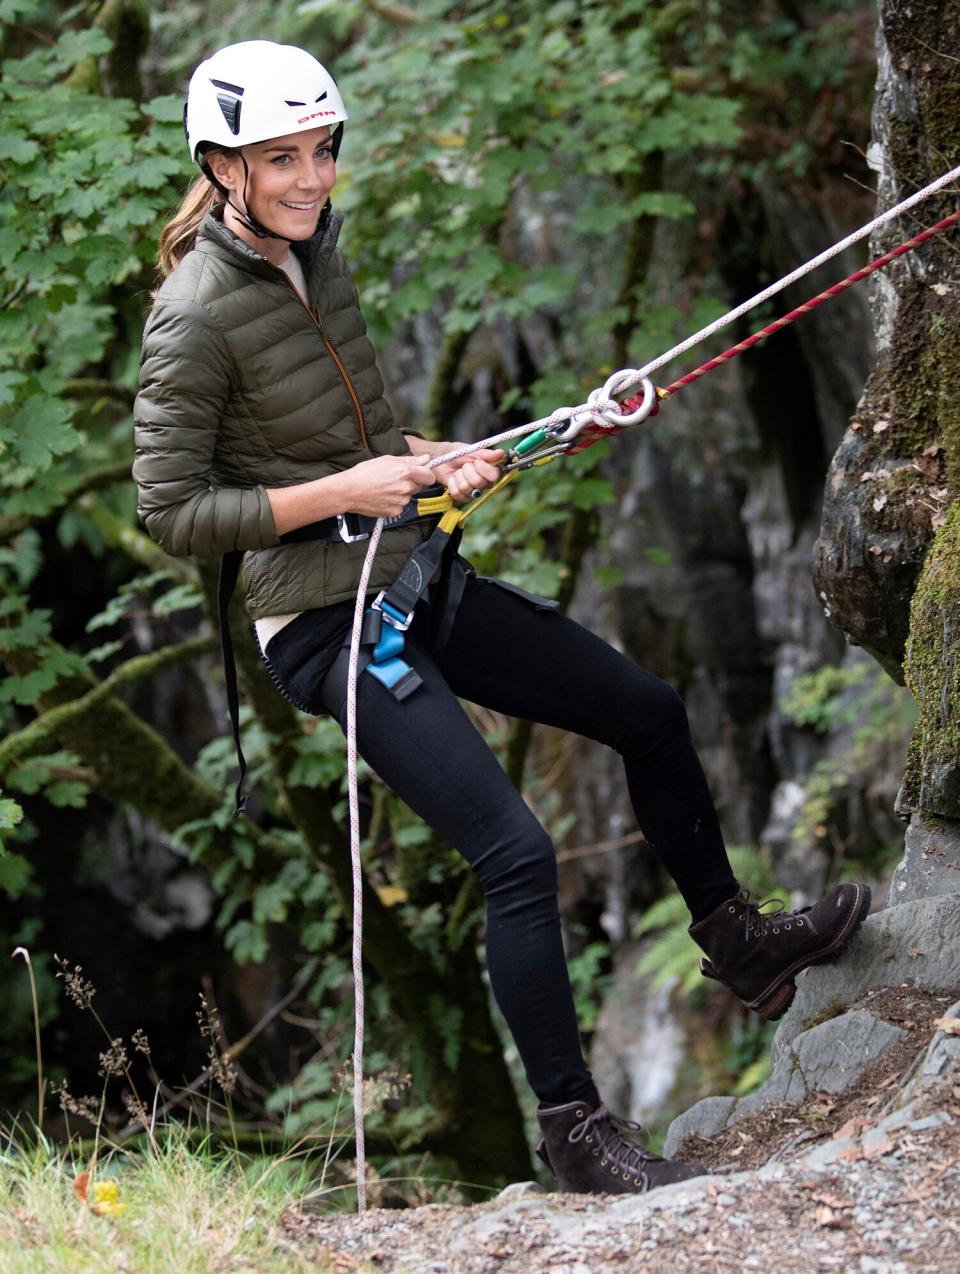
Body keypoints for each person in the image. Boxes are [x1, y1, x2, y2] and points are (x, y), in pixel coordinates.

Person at [133, 39, 871, 1195]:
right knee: (517, 853)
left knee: (647, 707)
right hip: (325, 630)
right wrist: (356, 491)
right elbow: (172, 510)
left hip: (415, 577)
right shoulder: (192, 314)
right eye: (280, 158)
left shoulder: (317, 257)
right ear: (221, 166)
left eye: (322, 151)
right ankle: (573, 1130)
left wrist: (444, 458)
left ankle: (734, 940)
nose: (311, 177)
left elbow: (360, 435)